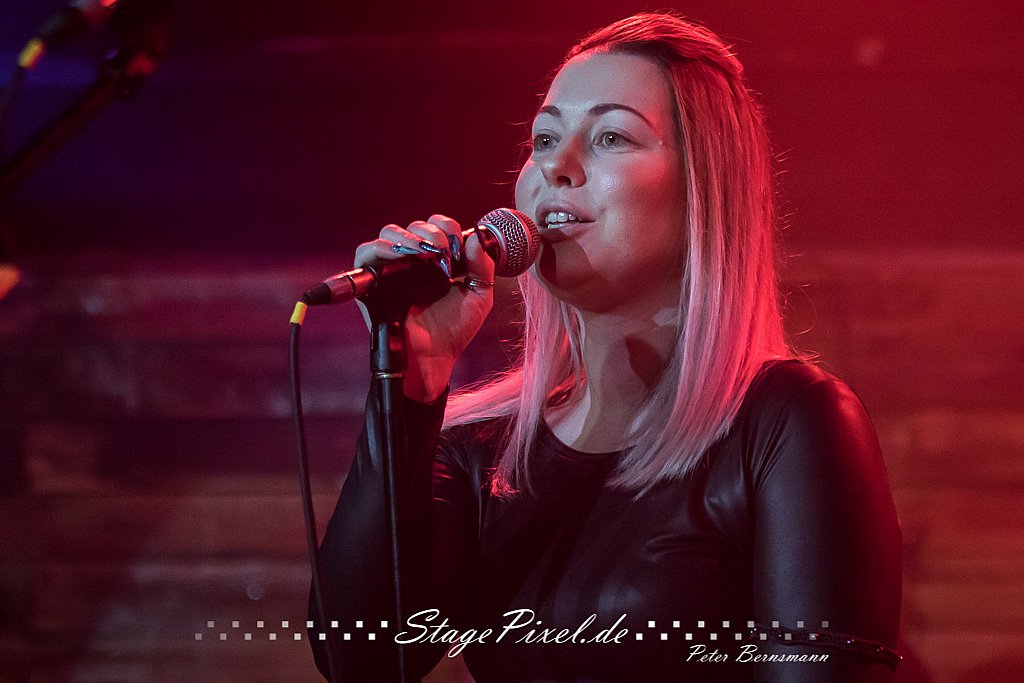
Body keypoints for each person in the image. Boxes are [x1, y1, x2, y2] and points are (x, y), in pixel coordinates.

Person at [311, 12, 902, 683]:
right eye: (543, 139)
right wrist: (408, 392)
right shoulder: (481, 453)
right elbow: (359, 659)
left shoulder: (790, 423)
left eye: (611, 136)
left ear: (703, 189)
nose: (555, 166)